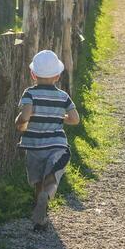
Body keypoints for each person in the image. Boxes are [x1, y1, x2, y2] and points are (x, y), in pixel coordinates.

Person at [15, 49, 80, 231]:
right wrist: (61, 117)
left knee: (37, 181)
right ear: (57, 76)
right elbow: (75, 119)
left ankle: (40, 218)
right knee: (51, 180)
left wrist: (20, 124)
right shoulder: (63, 96)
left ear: (33, 74)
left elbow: (25, 115)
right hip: (55, 146)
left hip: (33, 146)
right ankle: (47, 195)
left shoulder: (29, 94)